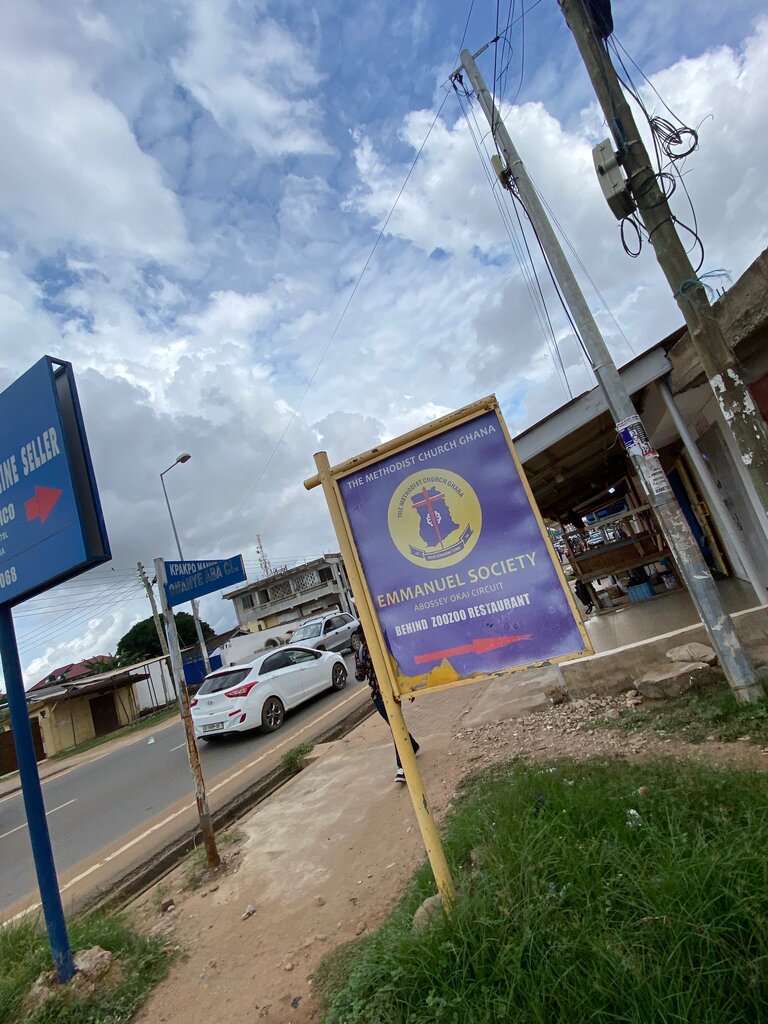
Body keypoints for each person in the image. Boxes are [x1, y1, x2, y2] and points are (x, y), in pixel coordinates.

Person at [355, 633, 419, 783]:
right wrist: (361, 666)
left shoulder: (384, 647)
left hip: (391, 693)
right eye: (364, 639)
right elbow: (359, 676)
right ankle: (413, 745)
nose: (366, 641)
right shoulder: (361, 653)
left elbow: (399, 666)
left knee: (395, 726)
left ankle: (402, 765)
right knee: (395, 725)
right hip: (377, 696)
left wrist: (409, 687)